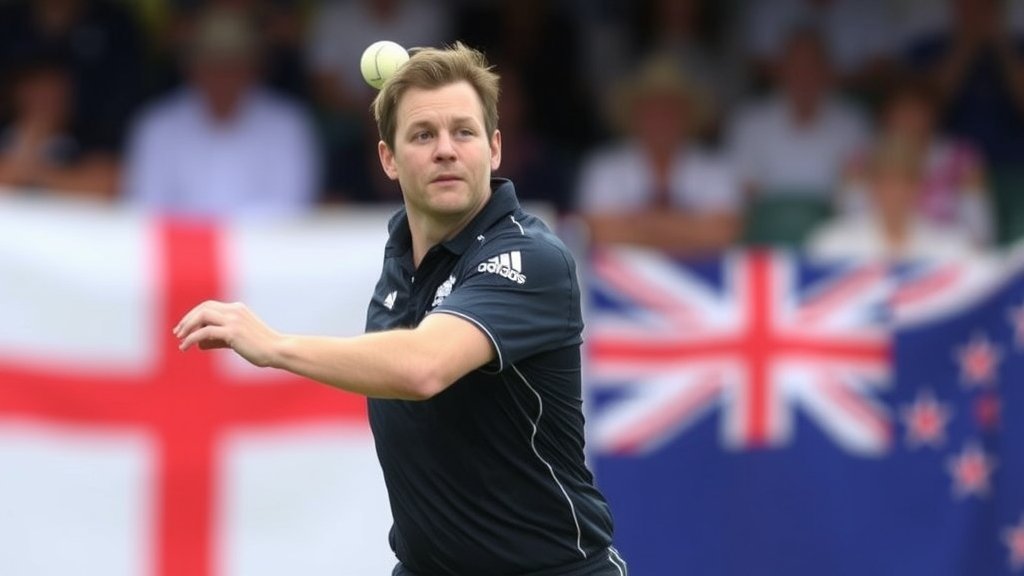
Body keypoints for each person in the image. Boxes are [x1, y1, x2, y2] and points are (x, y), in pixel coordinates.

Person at [174, 43, 627, 575]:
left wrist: (275, 346)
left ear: (495, 148)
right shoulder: (400, 259)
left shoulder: (530, 258)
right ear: (388, 158)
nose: (445, 150)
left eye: (463, 132)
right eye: (422, 135)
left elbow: (422, 367)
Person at [123, 6, 318, 217]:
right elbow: (146, 208)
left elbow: (292, 209)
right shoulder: (157, 126)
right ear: (192, 69)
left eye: (233, 65)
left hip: (265, 248)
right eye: (212, 64)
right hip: (182, 248)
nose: (222, 76)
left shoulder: (288, 126)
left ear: (254, 69)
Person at [575, 53, 741, 254]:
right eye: (652, 108)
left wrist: (637, 224)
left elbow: (723, 234)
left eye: (671, 108)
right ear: (634, 115)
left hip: (702, 282)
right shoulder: (603, 167)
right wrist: (691, 228)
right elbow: (598, 233)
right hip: (618, 282)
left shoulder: (715, 167)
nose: (661, 117)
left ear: (688, 115)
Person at [839, 78, 993, 245]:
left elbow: (980, 234)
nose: (910, 121)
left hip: (944, 254)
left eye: (918, 112)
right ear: (885, 116)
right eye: (902, 111)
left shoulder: (963, 160)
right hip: (872, 253)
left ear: (934, 116)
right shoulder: (861, 160)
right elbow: (851, 225)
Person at [727, 26, 870, 200]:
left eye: (812, 65)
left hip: (835, 224)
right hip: (766, 223)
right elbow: (740, 190)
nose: (804, 74)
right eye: (796, 65)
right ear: (780, 70)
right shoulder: (749, 121)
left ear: (827, 70)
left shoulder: (852, 124)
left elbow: (858, 193)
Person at [808, 134, 978, 261]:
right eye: (886, 182)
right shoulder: (832, 243)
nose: (896, 192)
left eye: (905, 183)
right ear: (872, 187)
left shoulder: (952, 246)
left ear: (919, 187)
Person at [0, 54, 118, 200]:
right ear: (17, 92)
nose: (47, 98)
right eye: (38, 88)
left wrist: (34, 172)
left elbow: (106, 186)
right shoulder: (4, 137)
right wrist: (28, 142)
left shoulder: (86, 144)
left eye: (57, 89)